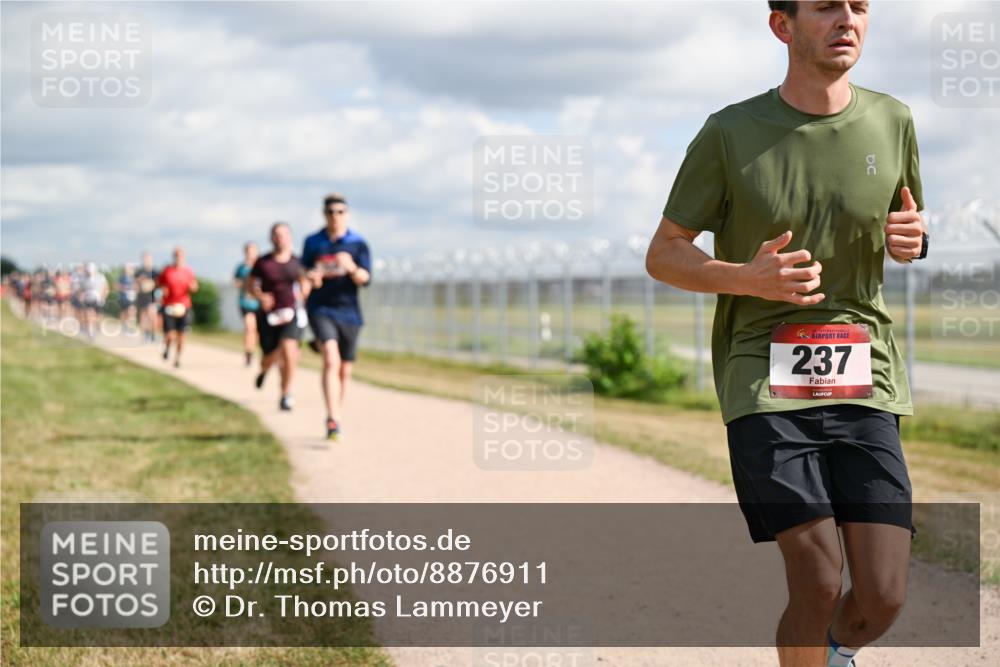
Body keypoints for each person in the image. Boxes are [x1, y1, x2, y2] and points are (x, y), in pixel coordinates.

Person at [644, 3, 928, 666]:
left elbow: (906, 227)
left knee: (882, 594)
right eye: (829, 5)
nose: (849, 19)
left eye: (860, 6)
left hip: (866, 372)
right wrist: (749, 277)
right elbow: (664, 252)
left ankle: (830, 651)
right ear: (783, 26)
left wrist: (913, 241)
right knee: (819, 572)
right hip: (763, 378)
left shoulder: (894, 121)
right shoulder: (729, 132)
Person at [302, 192, 372, 440]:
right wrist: (311, 278)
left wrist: (352, 266)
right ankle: (333, 419)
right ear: (324, 214)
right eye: (331, 212)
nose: (335, 216)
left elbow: (366, 279)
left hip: (349, 312)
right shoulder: (313, 242)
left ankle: (335, 413)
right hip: (321, 308)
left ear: (347, 214)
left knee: (344, 370)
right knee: (330, 359)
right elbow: (305, 273)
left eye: (340, 212)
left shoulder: (357, 243)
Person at [250, 223, 311, 411]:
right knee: (269, 357)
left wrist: (303, 295)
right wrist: (261, 297)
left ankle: (285, 393)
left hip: (291, 313)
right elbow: (250, 286)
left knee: (289, 350)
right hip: (269, 316)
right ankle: (264, 370)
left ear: (290, 237)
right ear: (271, 238)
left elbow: (305, 284)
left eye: (283, 234)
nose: (280, 238)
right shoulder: (262, 262)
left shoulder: (297, 262)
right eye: (276, 235)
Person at [157, 247, 198, 368]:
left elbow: (195, 286)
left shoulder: (188, 271)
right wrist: (163, 290)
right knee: (170, 335)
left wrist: (192, 287)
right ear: (173, 256)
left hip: (184, 306)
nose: (178, 258)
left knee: (182, 335)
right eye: (176, 255)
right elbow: (159, 284)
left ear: (183, 257)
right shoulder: (167, 270)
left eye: (180, 255)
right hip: (169, 305)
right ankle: (168, 347)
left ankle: (177, 359)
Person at [234, 241, 261, 367]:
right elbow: (236, 284)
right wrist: (246, 284)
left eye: (253, 250)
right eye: (248, 250)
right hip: (245, 302)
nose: (250, 253)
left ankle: (251, 350)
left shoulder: (262, 265)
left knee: (256, 331)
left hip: (259, 303)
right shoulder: (241, 268)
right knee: (249, 327)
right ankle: (248, 353)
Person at [80, 262, 109, 339]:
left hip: (98, 300)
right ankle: (90, 331)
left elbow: (106, 288)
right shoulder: (84, 279)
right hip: (88, 300)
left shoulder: (101, 277)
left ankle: (96, 326)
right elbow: (81, 290)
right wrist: (82, 296)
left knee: (98, 316)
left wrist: (103, 298)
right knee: (89, 314)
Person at [136, 252, 159, 343]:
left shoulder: (155, 271)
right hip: (142, 296)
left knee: (152, 315)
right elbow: (136, 283)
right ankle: (145, 334)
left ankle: (152, 334)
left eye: (148, 258)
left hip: (152, 296)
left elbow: (159, 282)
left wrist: (152, 285)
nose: (147, 260)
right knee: (143, 316)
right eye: (145, 258)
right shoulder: (139, 271)